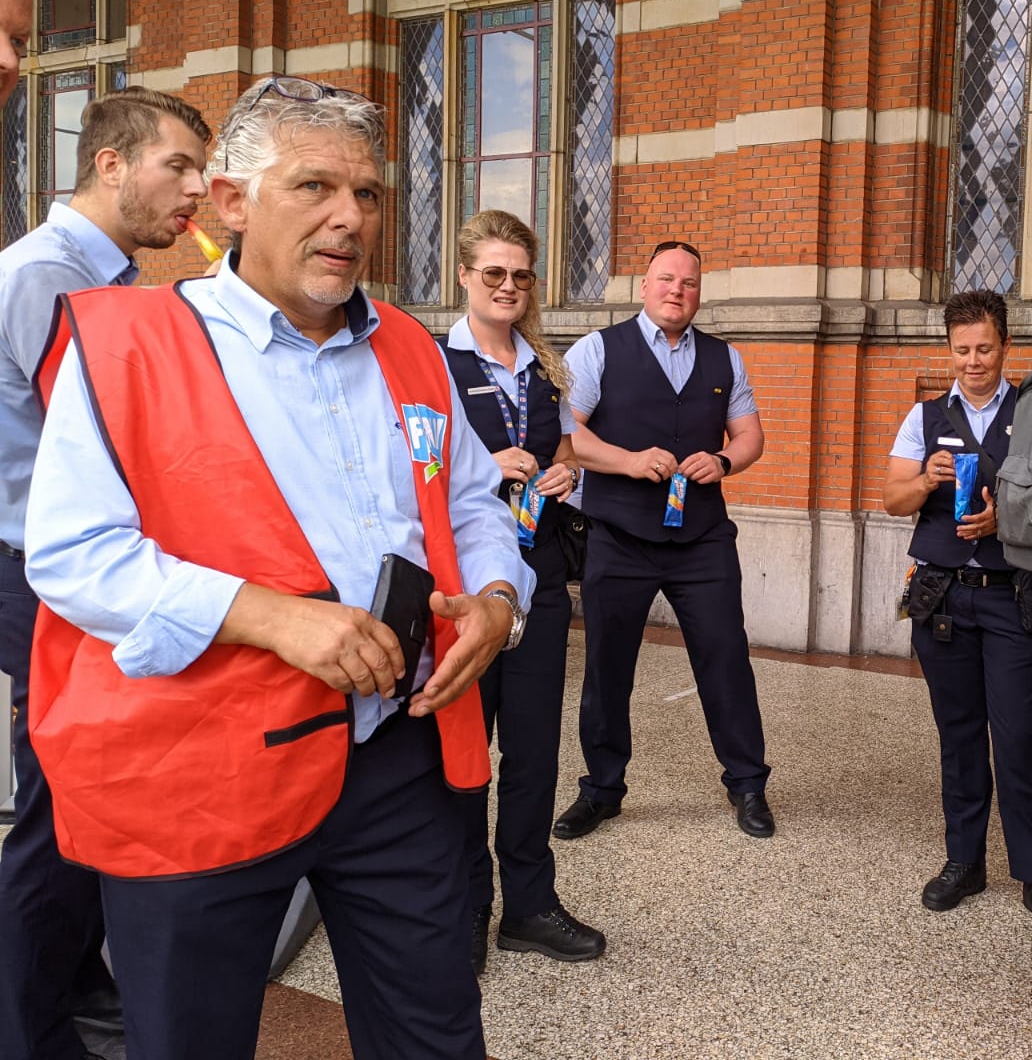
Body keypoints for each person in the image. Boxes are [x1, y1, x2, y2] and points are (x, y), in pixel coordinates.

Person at [21, 76, 532, 1060]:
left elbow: (469, 504)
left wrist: (497, 598)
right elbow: (75, 553)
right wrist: (270, 615)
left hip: (395, 764)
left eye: (370, 195)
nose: (349, 218)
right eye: (313, 188)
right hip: (200, 768)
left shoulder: (414, 352)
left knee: (436, 1033)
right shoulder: (128, 343)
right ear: (231, 202)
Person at [0, 86, 210, 1060]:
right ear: (112, 163)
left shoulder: (106, 275)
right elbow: (116, 442)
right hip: (35, 570)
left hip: (52, 563)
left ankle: (75, 979)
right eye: (179, 167)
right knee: (69, 798)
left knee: (71, 785)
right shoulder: (51, 277)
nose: (197, 193)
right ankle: (28, 1029)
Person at [554, 240, 773, 840]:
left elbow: (750, 435)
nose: (678, 289)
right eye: (666, 279)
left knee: (726, 659)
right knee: (607, 667)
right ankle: (601, 790)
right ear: (644, 285)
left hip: (702, 540)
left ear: (700, 292)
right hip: (619, 535)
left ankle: (748, 784)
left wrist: (725, 462)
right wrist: (626, 462)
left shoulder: (725, 360)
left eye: (690, 282)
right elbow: (566, 433)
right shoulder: (599, 349)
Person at [442, 209, 605, 970]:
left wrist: (564, 473)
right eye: (494, 274)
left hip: (536, 582)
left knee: (534, 752)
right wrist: (481, 465)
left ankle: (530, 906)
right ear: (466, 276)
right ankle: (467, 907)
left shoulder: (544, 366)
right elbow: (411, 473)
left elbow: (563, 449)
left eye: (521, 275)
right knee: (465, 752)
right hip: (466, 593)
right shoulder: (431, 362)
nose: (508, 287)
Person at [881, 289, 1032, 925]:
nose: (973, 361)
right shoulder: (924, 416)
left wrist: (1003, 519)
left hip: (1015, 599)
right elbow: (891, 500)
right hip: (945, 600)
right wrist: (926, 480)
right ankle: (965, 860)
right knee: (959, 737)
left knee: (1018, 738)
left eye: (984, 348)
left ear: (1006, 346)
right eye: (962, 350)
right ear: (949, 349)